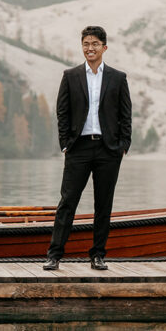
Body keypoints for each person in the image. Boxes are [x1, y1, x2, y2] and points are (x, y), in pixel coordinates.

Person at [43, 25, 131, 271]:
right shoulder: (70, 76)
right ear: (81, 46)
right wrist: (65, 144)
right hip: (78, 148)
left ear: (104, 47)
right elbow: (62, 112)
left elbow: (126, 115)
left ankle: (98, 255)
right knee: (67, 202)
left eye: (94, 44)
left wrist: (123, 146)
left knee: (103, 204)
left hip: (108, 150)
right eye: (85, 44)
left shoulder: (118, 77)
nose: (89, 48)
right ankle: (54, 255)